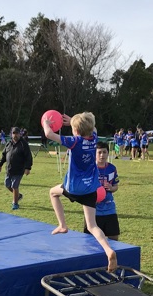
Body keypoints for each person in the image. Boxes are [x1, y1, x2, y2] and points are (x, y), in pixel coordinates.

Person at [42, 111, 117, 272]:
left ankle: (62, 225)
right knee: (92, 226)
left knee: (53, 193)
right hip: (91, 188)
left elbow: (48, 134)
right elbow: (93, 127)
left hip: (74, 188)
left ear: (75, 130)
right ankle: (108, 250)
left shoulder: (74, 141)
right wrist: (75, 121)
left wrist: (46, 123)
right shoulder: (95, 139)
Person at [84, 141, 120, 240]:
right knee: (90, 240)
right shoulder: (89, 169)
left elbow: (115, 186)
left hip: (109, 209)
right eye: (99, 152)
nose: (102, 155)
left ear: (108, 153)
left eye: (104, 152)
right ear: (94, 154)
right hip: (92, 210)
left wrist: (111, 188)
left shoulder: (112, 168)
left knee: (114, 238)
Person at [0, 127, 33, 210]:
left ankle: (15, 203)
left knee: (14, 186)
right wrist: (0, 165)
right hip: (9, 169)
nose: (15, 135)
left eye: (17, 133)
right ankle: (18, 196)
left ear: (19, 134)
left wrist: (28, 168)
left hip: (19, 169)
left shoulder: (23, 144)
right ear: (11, 134)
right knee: (7, 184)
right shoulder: (8, 143)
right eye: (14, 133)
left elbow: (28, 156)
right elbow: (3, 155)